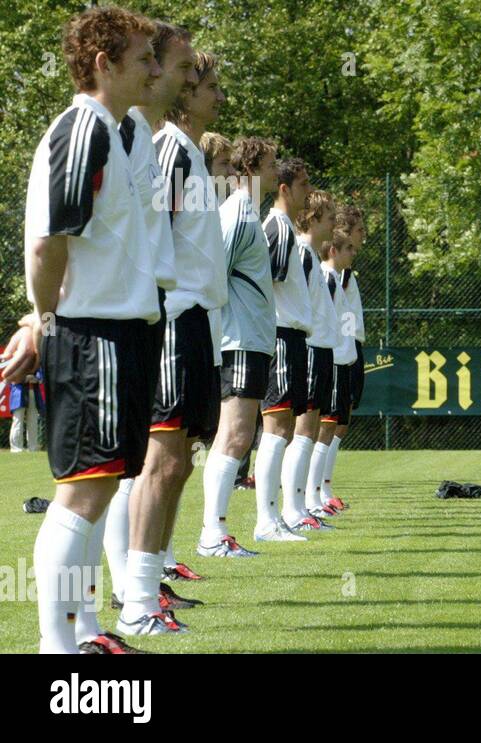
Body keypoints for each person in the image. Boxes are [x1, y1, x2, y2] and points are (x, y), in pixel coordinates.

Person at [6, 6, 163, 651]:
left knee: (97, 490)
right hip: (90, 335)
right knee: (81, 493)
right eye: (144, 57)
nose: (155, 68)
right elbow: (48, 244)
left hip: (118, 333)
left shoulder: (116, 131)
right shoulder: (83, 129)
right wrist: (43, 324)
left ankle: (82, 632)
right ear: (105, 63)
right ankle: (57, 651)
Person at [118, 38, 230, 636]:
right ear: (187, 90)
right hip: (175, 319)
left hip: (196, 323)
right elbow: (152, 238)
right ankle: (136, 599)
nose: (216, 95)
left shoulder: (183, 151)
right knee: (157, 463)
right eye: (206, 82)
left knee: (176, 462)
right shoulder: (170, 151)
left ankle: (148, 584)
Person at [206, 136, 287, 549]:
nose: (278, 171)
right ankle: (213, 532)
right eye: (272, 164)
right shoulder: (238, 212)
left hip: (251, 339)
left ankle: (216, 531)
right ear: (252, 168)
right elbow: (214, 273)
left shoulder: (248, 212)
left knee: (237, 437)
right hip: (238, 339)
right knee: (235, 436)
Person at [259, 158, 325, 534]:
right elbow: (266, 283)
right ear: (284, 189)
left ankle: (283, 515)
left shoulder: (284, 229)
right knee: (278, 426)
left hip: (294, 337)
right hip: (282, 335)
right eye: (303, 185)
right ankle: (268, 520)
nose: (308, 192)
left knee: (283, 428)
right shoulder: (279, 230)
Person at [316, 204, 367, 513]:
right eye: (359, 230)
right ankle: (319, 488)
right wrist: (345, 345)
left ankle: (322, 487)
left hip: (349, 346)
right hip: (341, 349)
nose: (362, 238)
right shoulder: (336, 272)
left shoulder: (345, 271)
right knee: (330, 420)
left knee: (341, 419)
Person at [298, 190, 340, 522]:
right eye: (328, 217)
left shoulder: (310, 254)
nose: (332, 224)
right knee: (302, 429)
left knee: (309, 430)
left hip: (320, 348)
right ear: (313, 217)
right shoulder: (302, 252)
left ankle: (305, 504)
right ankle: (294, 508)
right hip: (309, 348)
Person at [7, 373, 41, 452]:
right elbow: (9, 377)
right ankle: (16, 448)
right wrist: (24, 378)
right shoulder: (13, 361)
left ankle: (33, 447)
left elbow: (40, 377)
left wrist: (34, 378)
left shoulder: (34, 361)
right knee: (18, 420)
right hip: (18, 392)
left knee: (33, 421)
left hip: (33, 392)